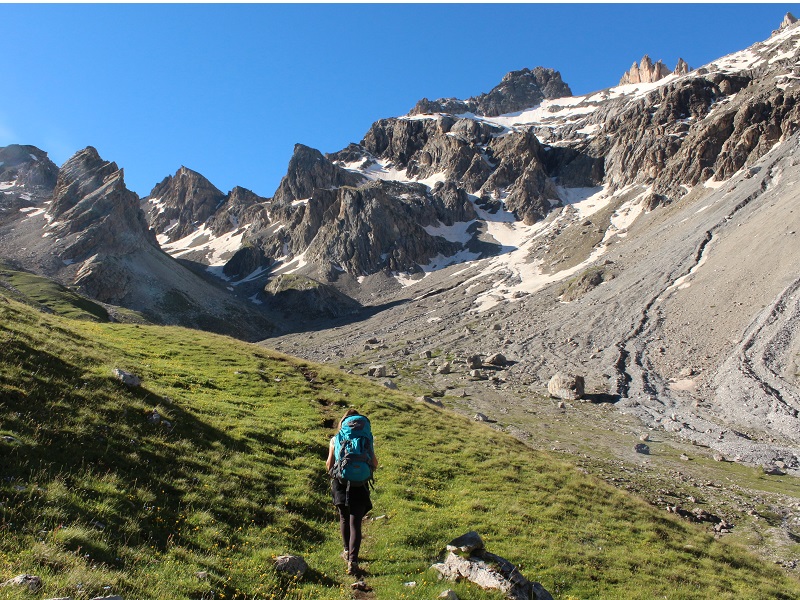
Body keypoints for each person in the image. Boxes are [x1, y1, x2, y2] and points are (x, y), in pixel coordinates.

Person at [326, 409, 378, 576]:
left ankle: (347, 551)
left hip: (341, 483)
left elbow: (329, 465)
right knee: (356, 521)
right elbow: (375, 462)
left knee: (344, 517)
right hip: (361, 484)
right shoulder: (366, 439)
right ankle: (353, 561)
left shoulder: (336, 439)